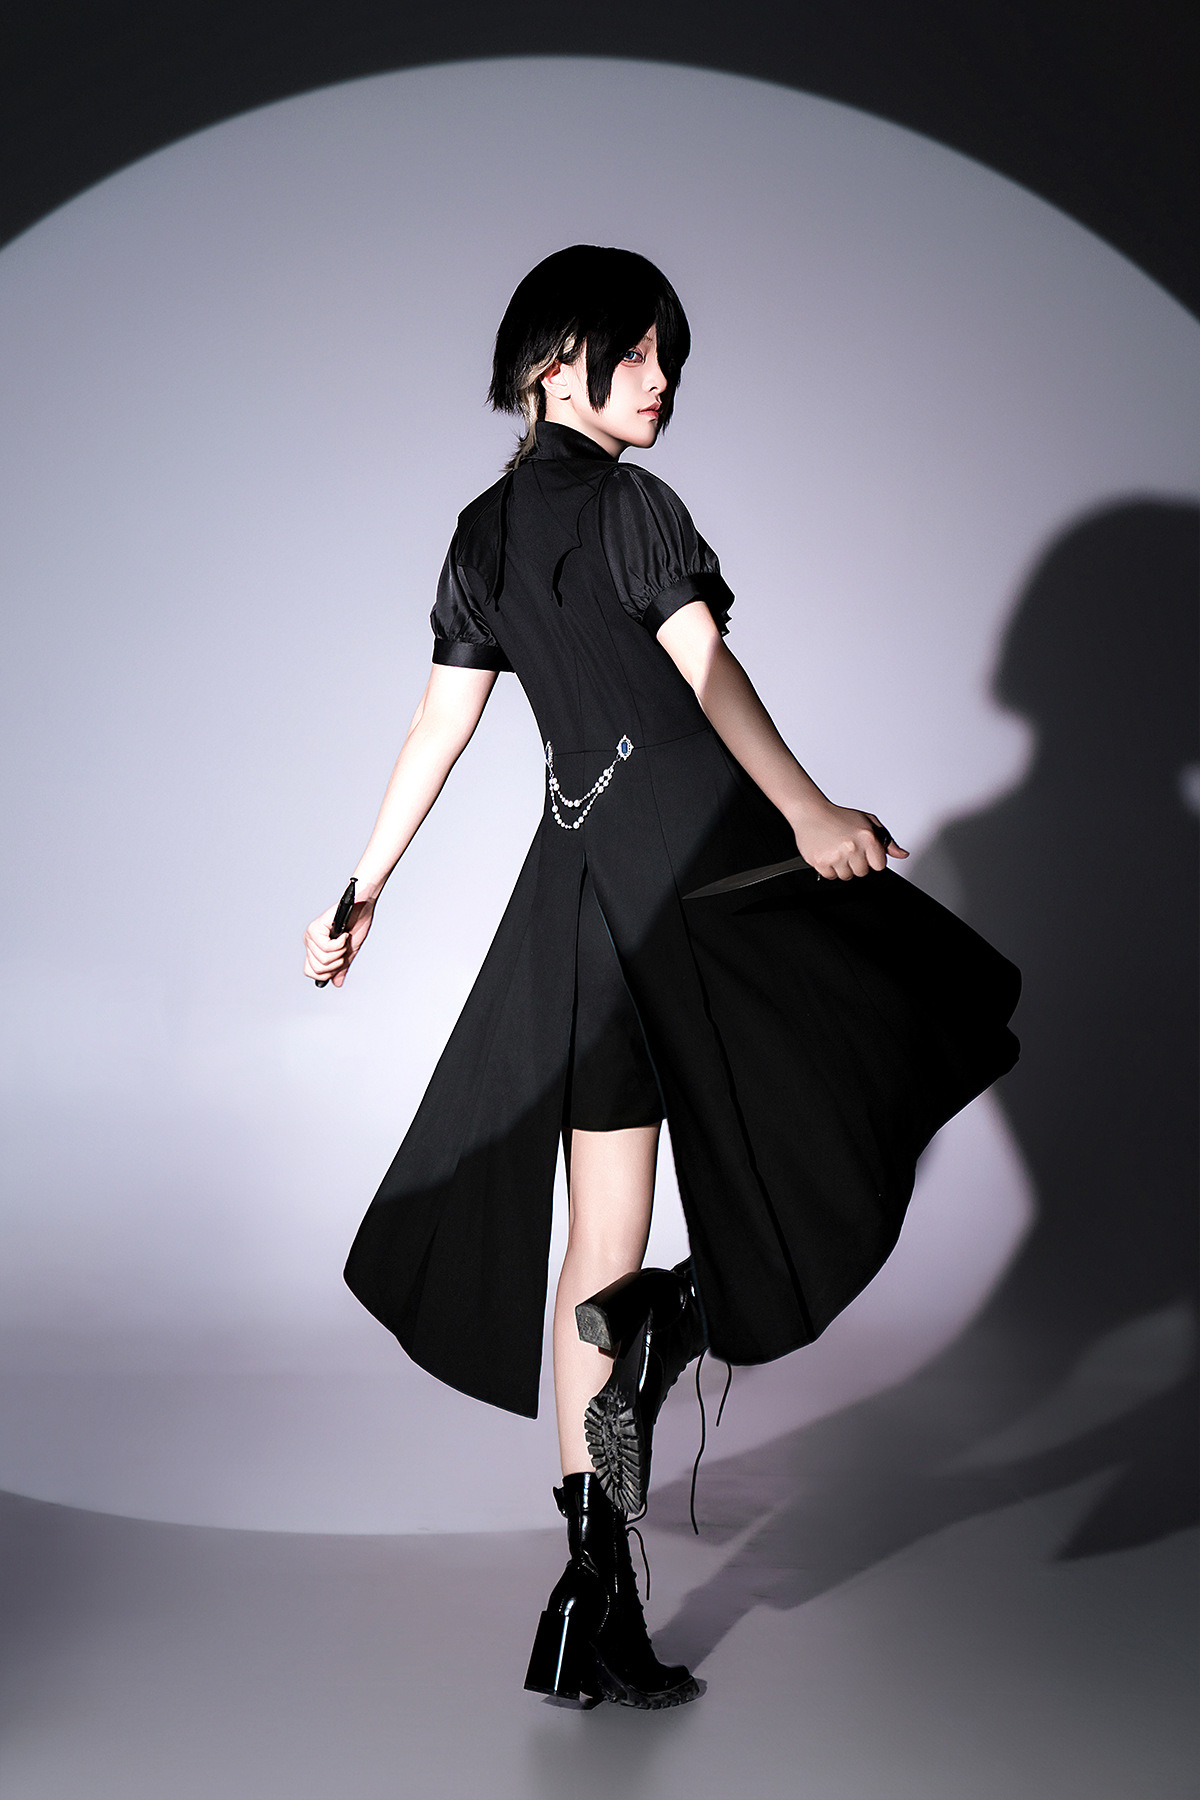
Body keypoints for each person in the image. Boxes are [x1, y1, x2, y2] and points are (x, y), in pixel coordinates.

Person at [303, 245, 1019, 1710]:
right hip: (700, 867)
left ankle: (595, 1599)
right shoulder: (633, 506)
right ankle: (680, 1322)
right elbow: (704, 674)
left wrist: (363, 887)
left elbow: (440, 726)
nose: (662, 380)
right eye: (635, 354)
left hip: (580, 897)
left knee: (598, 1251)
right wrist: (809, 812)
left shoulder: (481, 535)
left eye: (669, 357)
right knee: (879, 1065)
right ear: (549, 363)